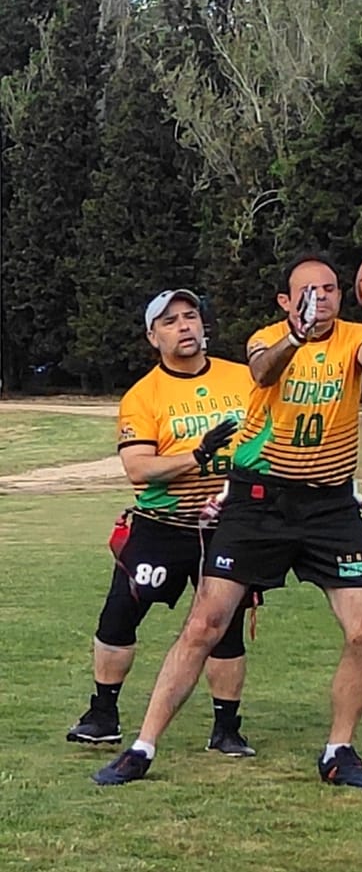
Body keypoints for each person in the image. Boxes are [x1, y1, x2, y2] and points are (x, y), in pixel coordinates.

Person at [93, 252, 362, 790]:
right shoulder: (265, 337)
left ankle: (339, 752)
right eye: (307, 291)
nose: (319, 298)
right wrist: (294, 337)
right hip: (261, 501)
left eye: (330, 289)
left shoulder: (355, 337)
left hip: (330, 506)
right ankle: (141, 747)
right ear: (286, 301)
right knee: (204, 624)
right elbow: (263, 368)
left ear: (345, 295)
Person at [67, 288, 257, 757]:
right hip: (162, 522)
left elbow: (271, 438)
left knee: (224, 626)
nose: (184, 326)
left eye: (190, 317)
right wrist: (198, 455)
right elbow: (139, 468)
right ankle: (103, 714)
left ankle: (226, 728)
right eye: (170, 321)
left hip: (227, 524)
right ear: (153, 337)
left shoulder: (244, 379)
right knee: (119, 615)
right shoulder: (143, 395)